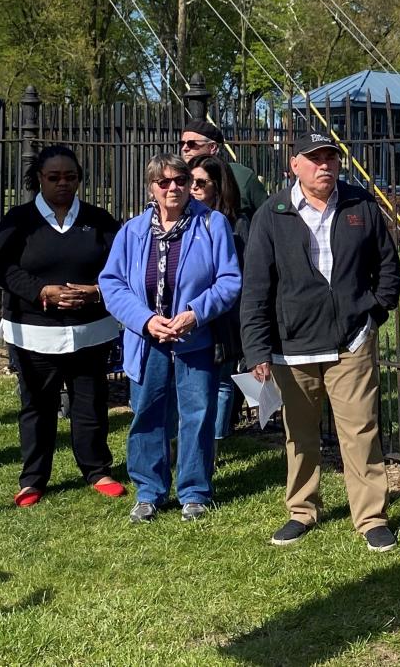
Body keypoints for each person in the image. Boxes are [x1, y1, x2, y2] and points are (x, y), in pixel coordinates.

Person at [240, 131, 400, 549]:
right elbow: (256, 288)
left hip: (351, 341)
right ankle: (301, 509)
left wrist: (373, 313)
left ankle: (370, 518)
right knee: (300, 434)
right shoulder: (271, 213)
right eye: (315, 159)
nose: (325, 165)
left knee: (361, 430)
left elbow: (388, 264)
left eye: (330, 157)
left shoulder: (360, 205)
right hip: (291, 347)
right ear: (294, 164)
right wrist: (257, 349)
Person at [99, 153, 241, 523]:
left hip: (195, 339)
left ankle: (194, 492)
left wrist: (196, 313)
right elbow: (111, 284)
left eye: (180, 180)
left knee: (197, 415)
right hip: (147, 341)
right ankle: (149, 491)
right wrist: (145, 321)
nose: (174, 188)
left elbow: (229, 281)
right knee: (147, 414)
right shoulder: (132, 231)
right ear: (152, 188)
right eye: (164, 182)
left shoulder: (213, 224)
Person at [0, 147, 123, 504]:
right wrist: (40, 291)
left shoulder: (99, 220)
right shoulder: (20, 219)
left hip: (91, 328)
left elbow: (123, 265)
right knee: (37, 406)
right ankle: (33, 479)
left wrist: (97, 292)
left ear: (80, 179)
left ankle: (97, 470)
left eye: (70, 177)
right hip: (33, 330)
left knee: (90, 402)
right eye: (54, 178)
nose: (63, 184)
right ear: (39, 180)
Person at [188, 154, 249, 441]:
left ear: (218, 186)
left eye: (201, 183)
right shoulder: (184, 219)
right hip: (190, 311)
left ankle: (216, 440)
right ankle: (191, 436)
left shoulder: (236, 224)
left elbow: (242, 272)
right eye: (190, 181)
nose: (193, 188)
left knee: (223, 380)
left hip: (226, 313)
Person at [179, 118, 269, 218]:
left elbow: (267, 213)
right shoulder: (176, 178)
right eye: (182, 143)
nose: (185, 148)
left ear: (212, 147)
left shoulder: (241, 175)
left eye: (191, 144)